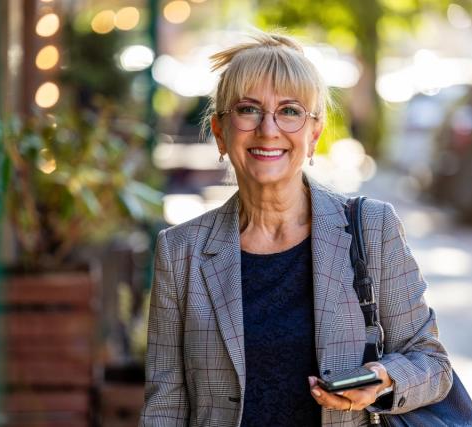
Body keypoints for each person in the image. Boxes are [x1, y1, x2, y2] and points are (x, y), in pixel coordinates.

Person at [140, 32, 452, 427]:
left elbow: (431, 363)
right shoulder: (180, 251)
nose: (268, 129)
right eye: (248, 109)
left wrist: (382, 378)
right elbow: (164, 407)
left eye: (289, 111)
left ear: (314, 134)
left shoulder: (372, 227)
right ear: (220, 132)